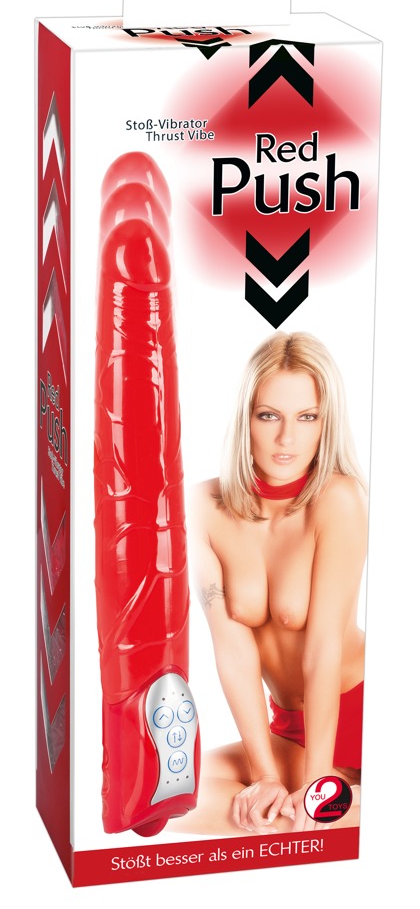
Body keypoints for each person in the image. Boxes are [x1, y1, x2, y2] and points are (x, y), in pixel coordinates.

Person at [173, 331, 367, 835]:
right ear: (246, 418)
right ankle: (354, 814)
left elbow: (322, 649)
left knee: (302, 818)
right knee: (172, 800)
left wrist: (317, 781)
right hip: (287, 730)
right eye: (269, 416)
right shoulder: (200, 508)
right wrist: (264, 775)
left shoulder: (340, 500)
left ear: (326, 423)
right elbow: (231, 647)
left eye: (307, 417)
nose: (287, 439)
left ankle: (349, 811)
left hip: (363, 714)